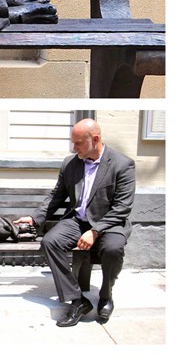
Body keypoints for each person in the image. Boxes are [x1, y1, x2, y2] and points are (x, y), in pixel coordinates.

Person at [15, 118, 135, 327]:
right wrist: (36, 217)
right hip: (77, 220)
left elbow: (122, 207)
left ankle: (106, 295)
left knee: (113, 248)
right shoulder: (70, 163)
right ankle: (78, 300)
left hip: (109, 223)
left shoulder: (122, 164)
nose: (74, 147)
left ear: (95, 139)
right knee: (49, 242)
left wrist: (95, 231)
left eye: (78, 143)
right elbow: (57, 196)